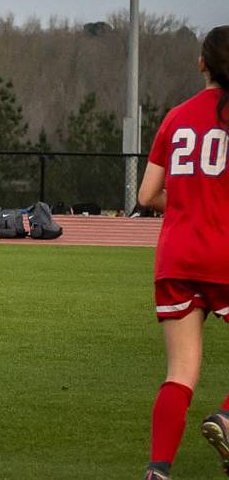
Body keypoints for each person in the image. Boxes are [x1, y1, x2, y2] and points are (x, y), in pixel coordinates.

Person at [139, 25, 229, 480]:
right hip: (225, 252)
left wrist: (192, 200)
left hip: (176, 256)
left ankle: (158, 470)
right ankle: (227, 418)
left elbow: (147, 194)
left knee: (180, 373)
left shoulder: (176, 116)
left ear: (202, 64)